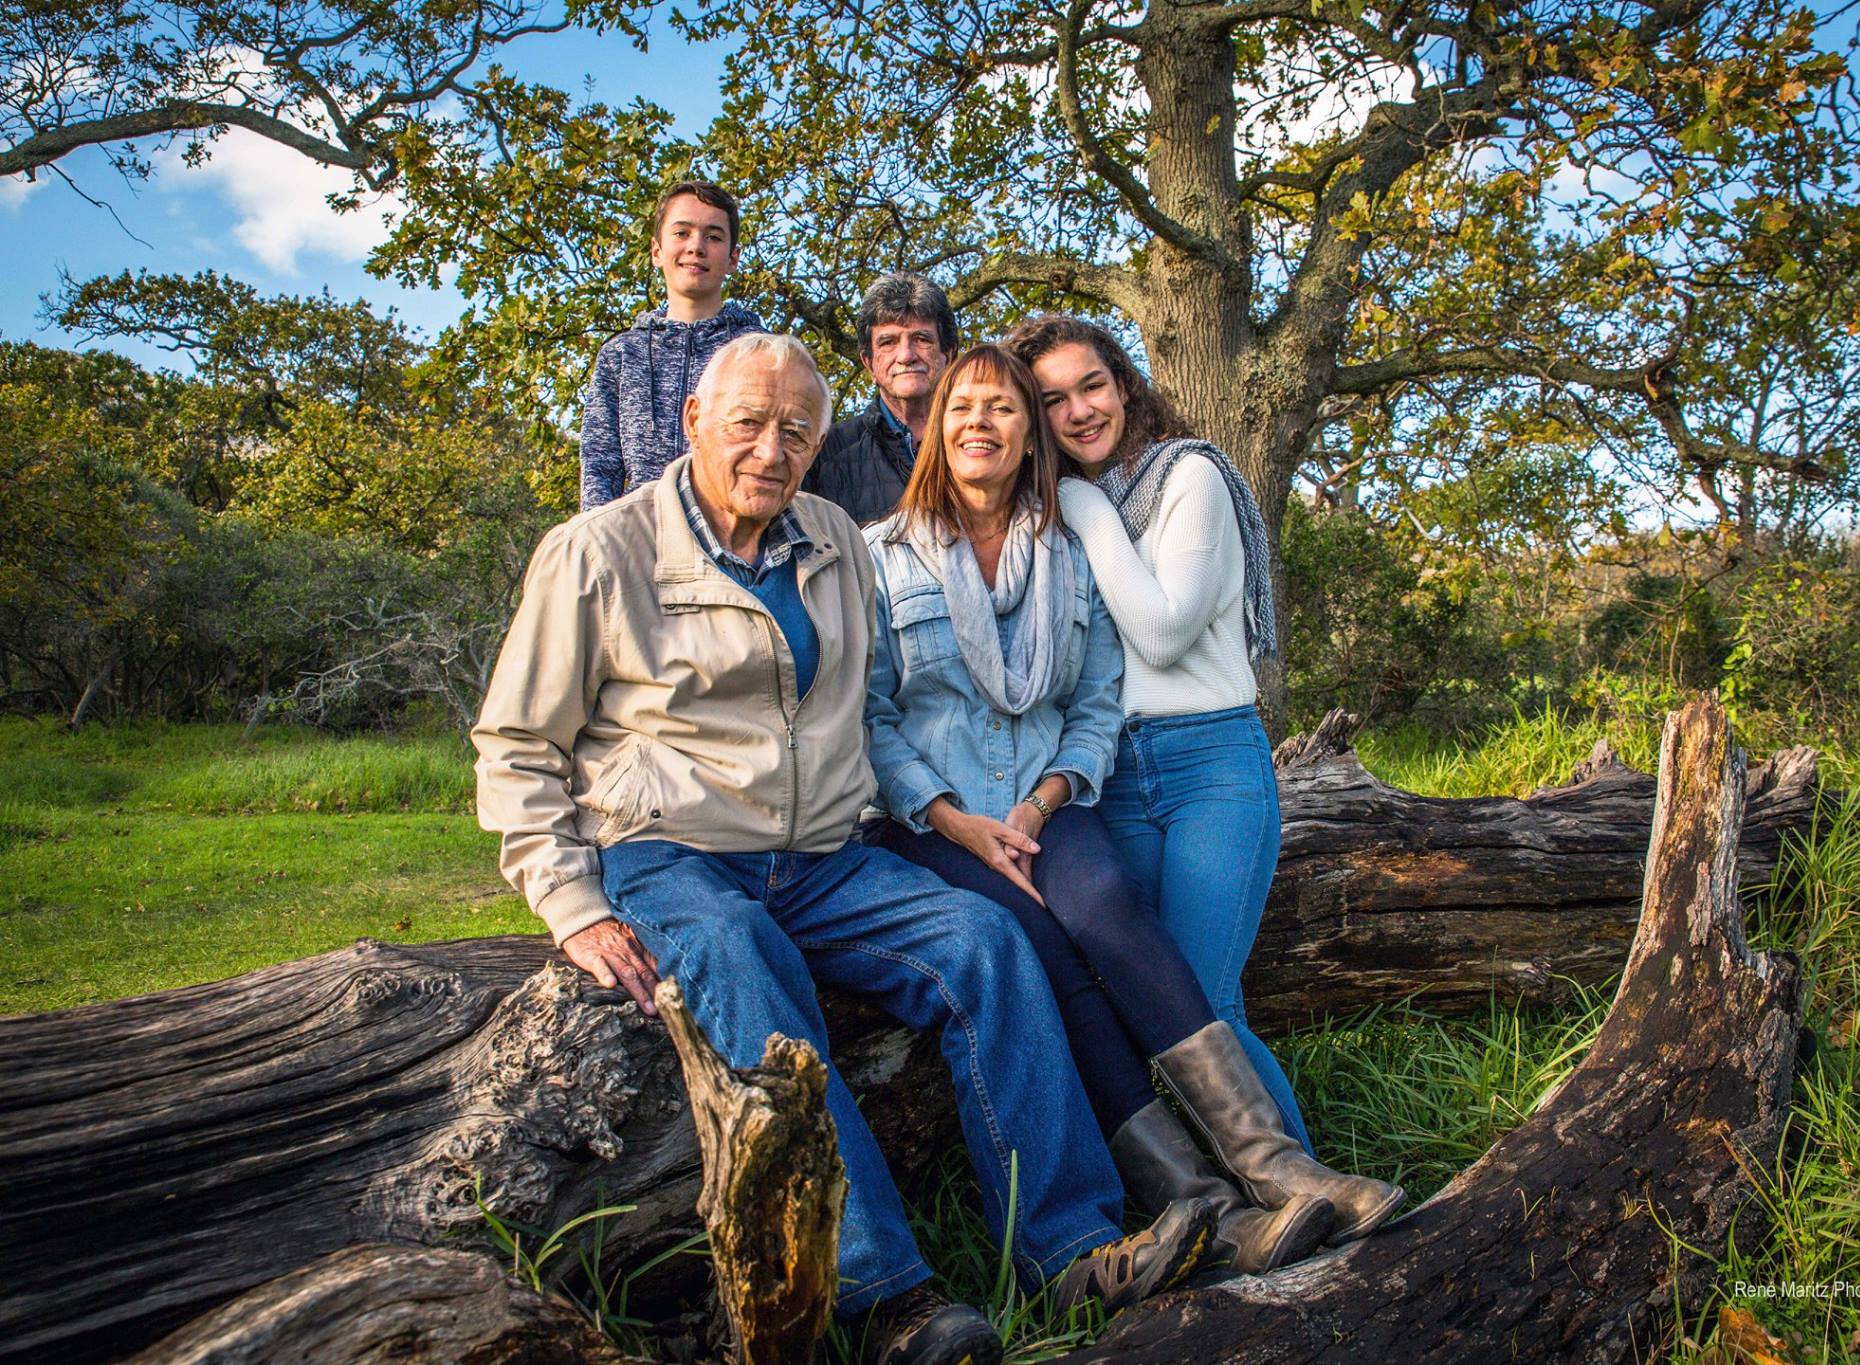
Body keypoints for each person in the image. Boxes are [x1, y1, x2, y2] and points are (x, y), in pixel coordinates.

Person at [474, 332, 1212, 1365]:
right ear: (693, 421)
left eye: (794, 430)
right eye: (746, 423)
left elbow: (902, 679)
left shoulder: (830, 536)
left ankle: (1073, 1246)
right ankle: (883, 1300)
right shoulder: (600, 551)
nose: (769, 449)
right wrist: (573, 905)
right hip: (669, 853)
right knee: (743, 961)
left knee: (986, 946)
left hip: (821, 856)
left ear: (819, 442)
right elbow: (517, 743)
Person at [864, 344, 1391, 1273]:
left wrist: (1039, 803)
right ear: (936, 431)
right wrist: (951, 817)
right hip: (934, 818)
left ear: (1031, 440)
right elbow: (868, 715)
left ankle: (1277, 1170)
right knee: (1045, 944)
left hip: (1047, 800)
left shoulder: (1068, 551)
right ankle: (1197, 1206)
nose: (981, 423)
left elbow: (1098, 701)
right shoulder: (879, 557)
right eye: (961, 409)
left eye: (1003, 409)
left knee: (1106, 908)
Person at [1007, 315, 1406, 1244]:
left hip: (1208, 761)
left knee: (1204, 991)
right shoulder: (1057, 514)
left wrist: (1089, 509)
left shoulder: (1186, 477)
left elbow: (1161, 631)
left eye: (1090, 385)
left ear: (1126, 384)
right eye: (1053, 399)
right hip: (1110, 776)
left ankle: (1318, 1203)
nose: (1077, 410)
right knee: (1148, 1000)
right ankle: (1233, 1220)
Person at [578, 179, 765, 509]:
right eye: (682, 233)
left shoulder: (760, 354)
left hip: (733, 544)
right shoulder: (621, 356)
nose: (696, 246)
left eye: (713, 236)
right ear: (656, 250)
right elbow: (598, 471)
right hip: (641, 544)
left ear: (733, 258)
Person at [803, 272, 958, 524]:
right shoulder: (824, 455)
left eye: (921, 339)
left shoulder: (979, 442)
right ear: (869, 363)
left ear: (948, 355)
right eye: (888, 342)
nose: (906, 355)